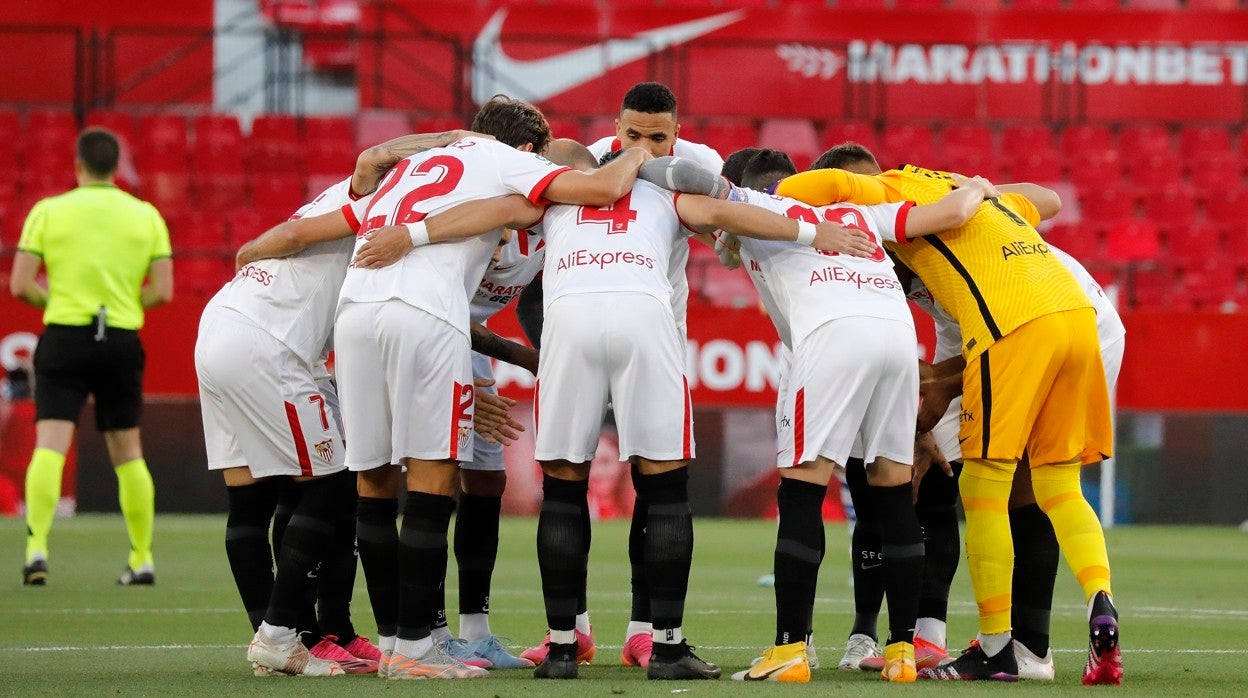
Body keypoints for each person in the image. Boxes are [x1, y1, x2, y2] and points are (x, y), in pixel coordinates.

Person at [775, 146, 1122, 685]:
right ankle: (1096, 601)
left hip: (1016, 328)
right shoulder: (968, 196)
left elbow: (796, 193)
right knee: (1057, 485)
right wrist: (981, 188)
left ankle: (998, 648)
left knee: (985, 486)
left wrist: (831, 198)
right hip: (1082, 321)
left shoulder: (891, 200)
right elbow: (1048, 199)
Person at [198, 130, 473, 677]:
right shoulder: (372, 203)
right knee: (331, 484)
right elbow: (349, 183)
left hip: (220, 326)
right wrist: (451, 139)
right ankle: (282, 639)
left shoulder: (336, 197)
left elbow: (305, 224)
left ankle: (289, 639)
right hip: (269, 343)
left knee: (252, 498)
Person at [572, 80, 725, 671]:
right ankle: (573, 630)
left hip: (660, 328)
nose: (642, 145)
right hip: (588, 322)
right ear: (617, 127)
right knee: (569, 475)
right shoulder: (594, 161)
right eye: (632, 134)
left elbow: (725, 225)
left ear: (678, 134)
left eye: (657, 136)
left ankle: (644, 629)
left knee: (653, 478)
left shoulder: (699, 164)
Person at [11, 127, 173, 587]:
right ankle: (141, 558)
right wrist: (122, 306)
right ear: (117, 168)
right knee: (128, 451)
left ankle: (36, 550)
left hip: (64, 336)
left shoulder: (48, 211)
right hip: (120, 339)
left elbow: (21, 283)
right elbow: (163, 291)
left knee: (49, 446)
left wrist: (58, 305)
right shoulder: (146, 216)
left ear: (78, 165)